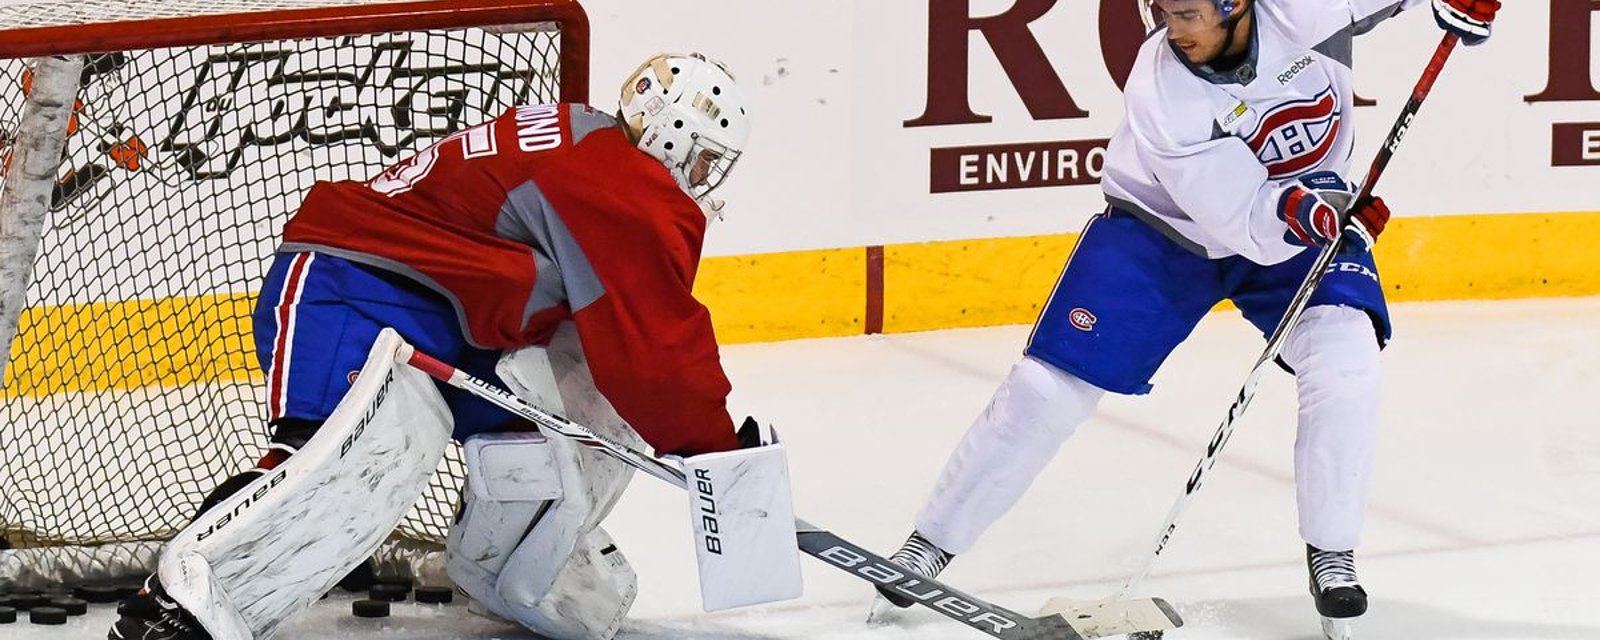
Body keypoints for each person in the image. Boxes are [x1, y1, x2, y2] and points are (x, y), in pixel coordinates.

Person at [870, 0, 1499, 636]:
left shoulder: (1311, 9)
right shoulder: (1161, 87)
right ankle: (930, 544)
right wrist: (1323, 211)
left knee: (1347, 362)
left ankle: (1331, 553)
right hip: (1163, 232)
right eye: (1165, 11)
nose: (1175, 29)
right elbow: (1243, 214)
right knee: (1044, 391)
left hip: (1299, 217)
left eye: (1190, 13)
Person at [109, 52, 767, 640]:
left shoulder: (589, 137)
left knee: (542, 434)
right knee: (321, 471)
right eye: (706, 157)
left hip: (450, 320)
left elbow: (622, 343)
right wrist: (721, 456)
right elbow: (655, 349)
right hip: (354, 289)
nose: (705, 176)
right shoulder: (620, 184)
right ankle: (175, 609)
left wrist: (706, 444)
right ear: (669, 135)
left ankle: (509, 570)